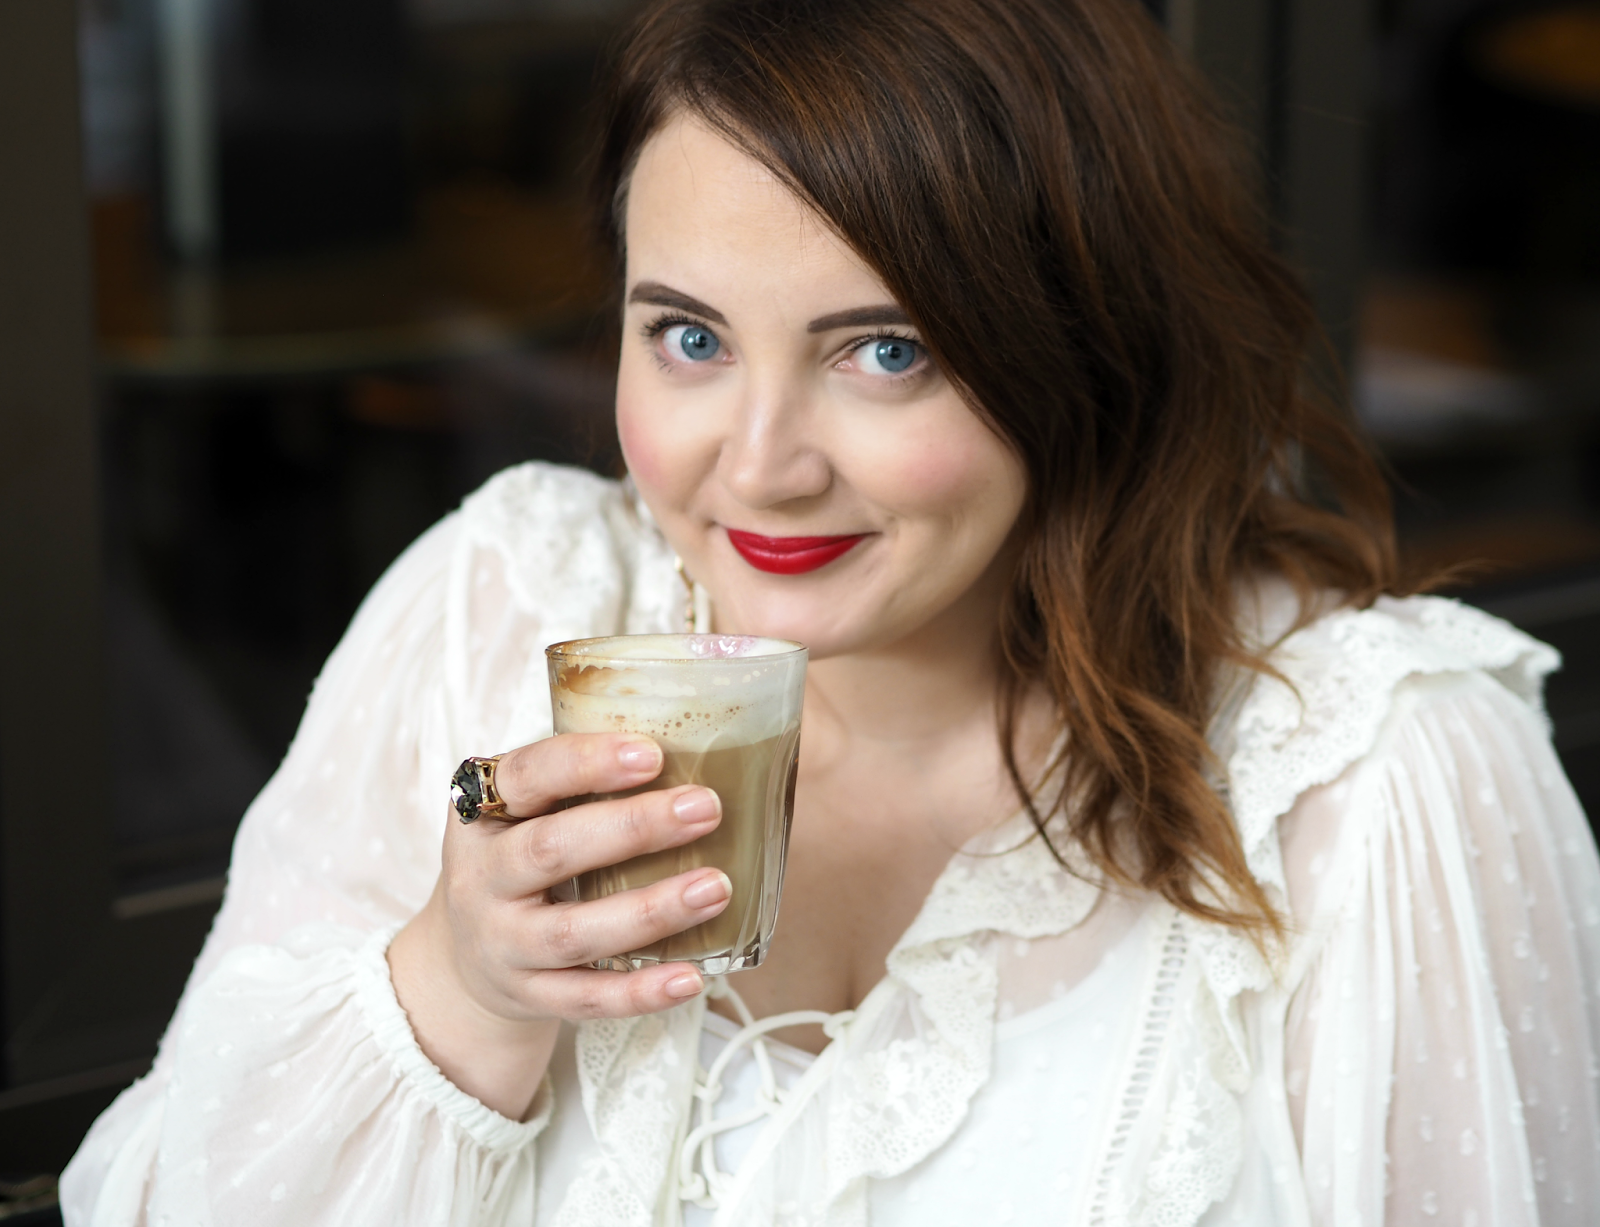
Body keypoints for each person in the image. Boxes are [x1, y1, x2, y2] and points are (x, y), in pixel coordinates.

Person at [62, 0, 1600, 1223]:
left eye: (884, 351)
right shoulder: (502, 608)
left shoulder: (1374, 786)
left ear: (1082, 342)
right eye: (688, 337)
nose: (758, 465)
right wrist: (459, 989)